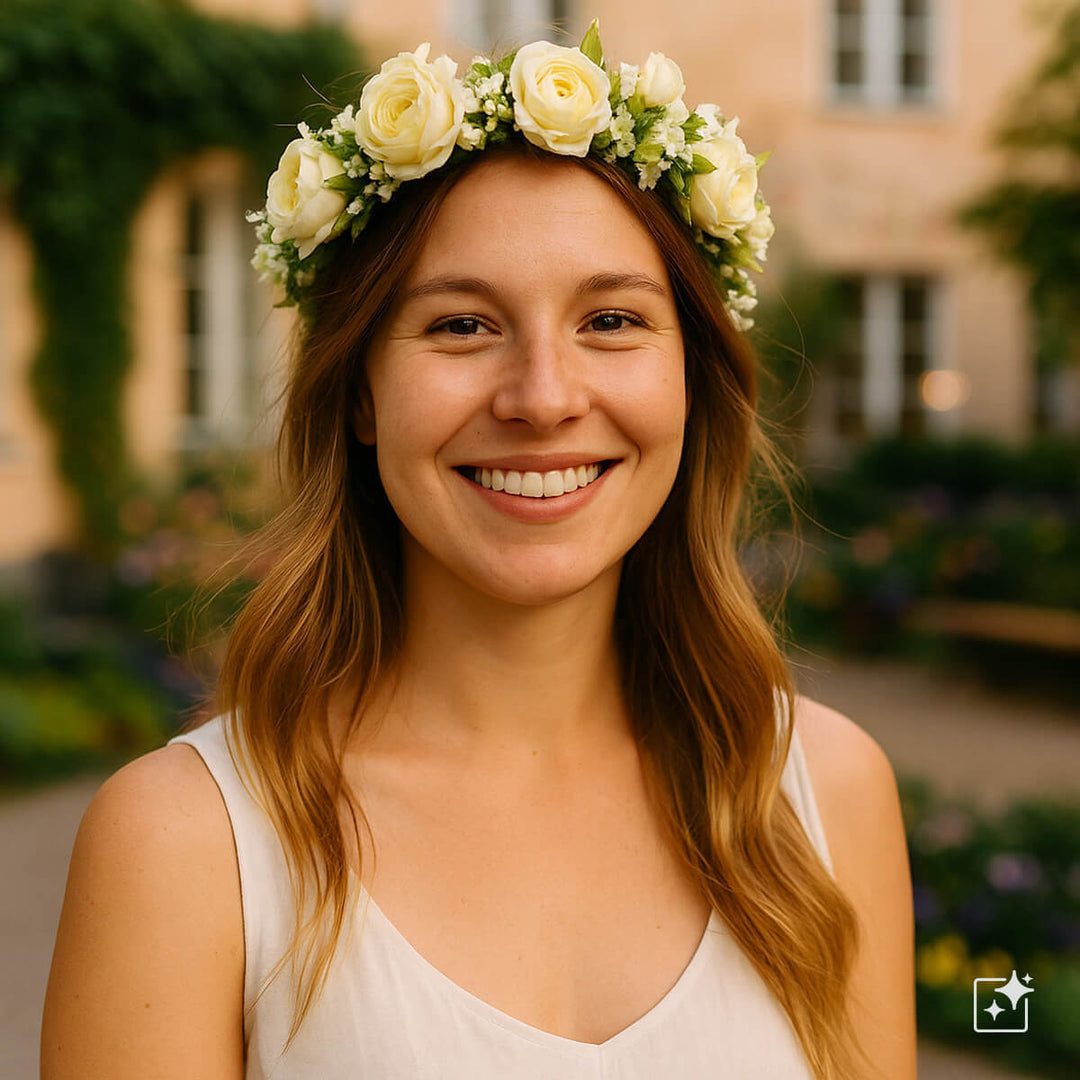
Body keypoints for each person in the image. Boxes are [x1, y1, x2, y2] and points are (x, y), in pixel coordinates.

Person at [41, 22, 916, 1080]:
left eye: (611, 320)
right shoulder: (188, 847)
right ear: (360, 392)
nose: (543, 398)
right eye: (460, 326)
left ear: (692, 374)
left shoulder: (822, 795)